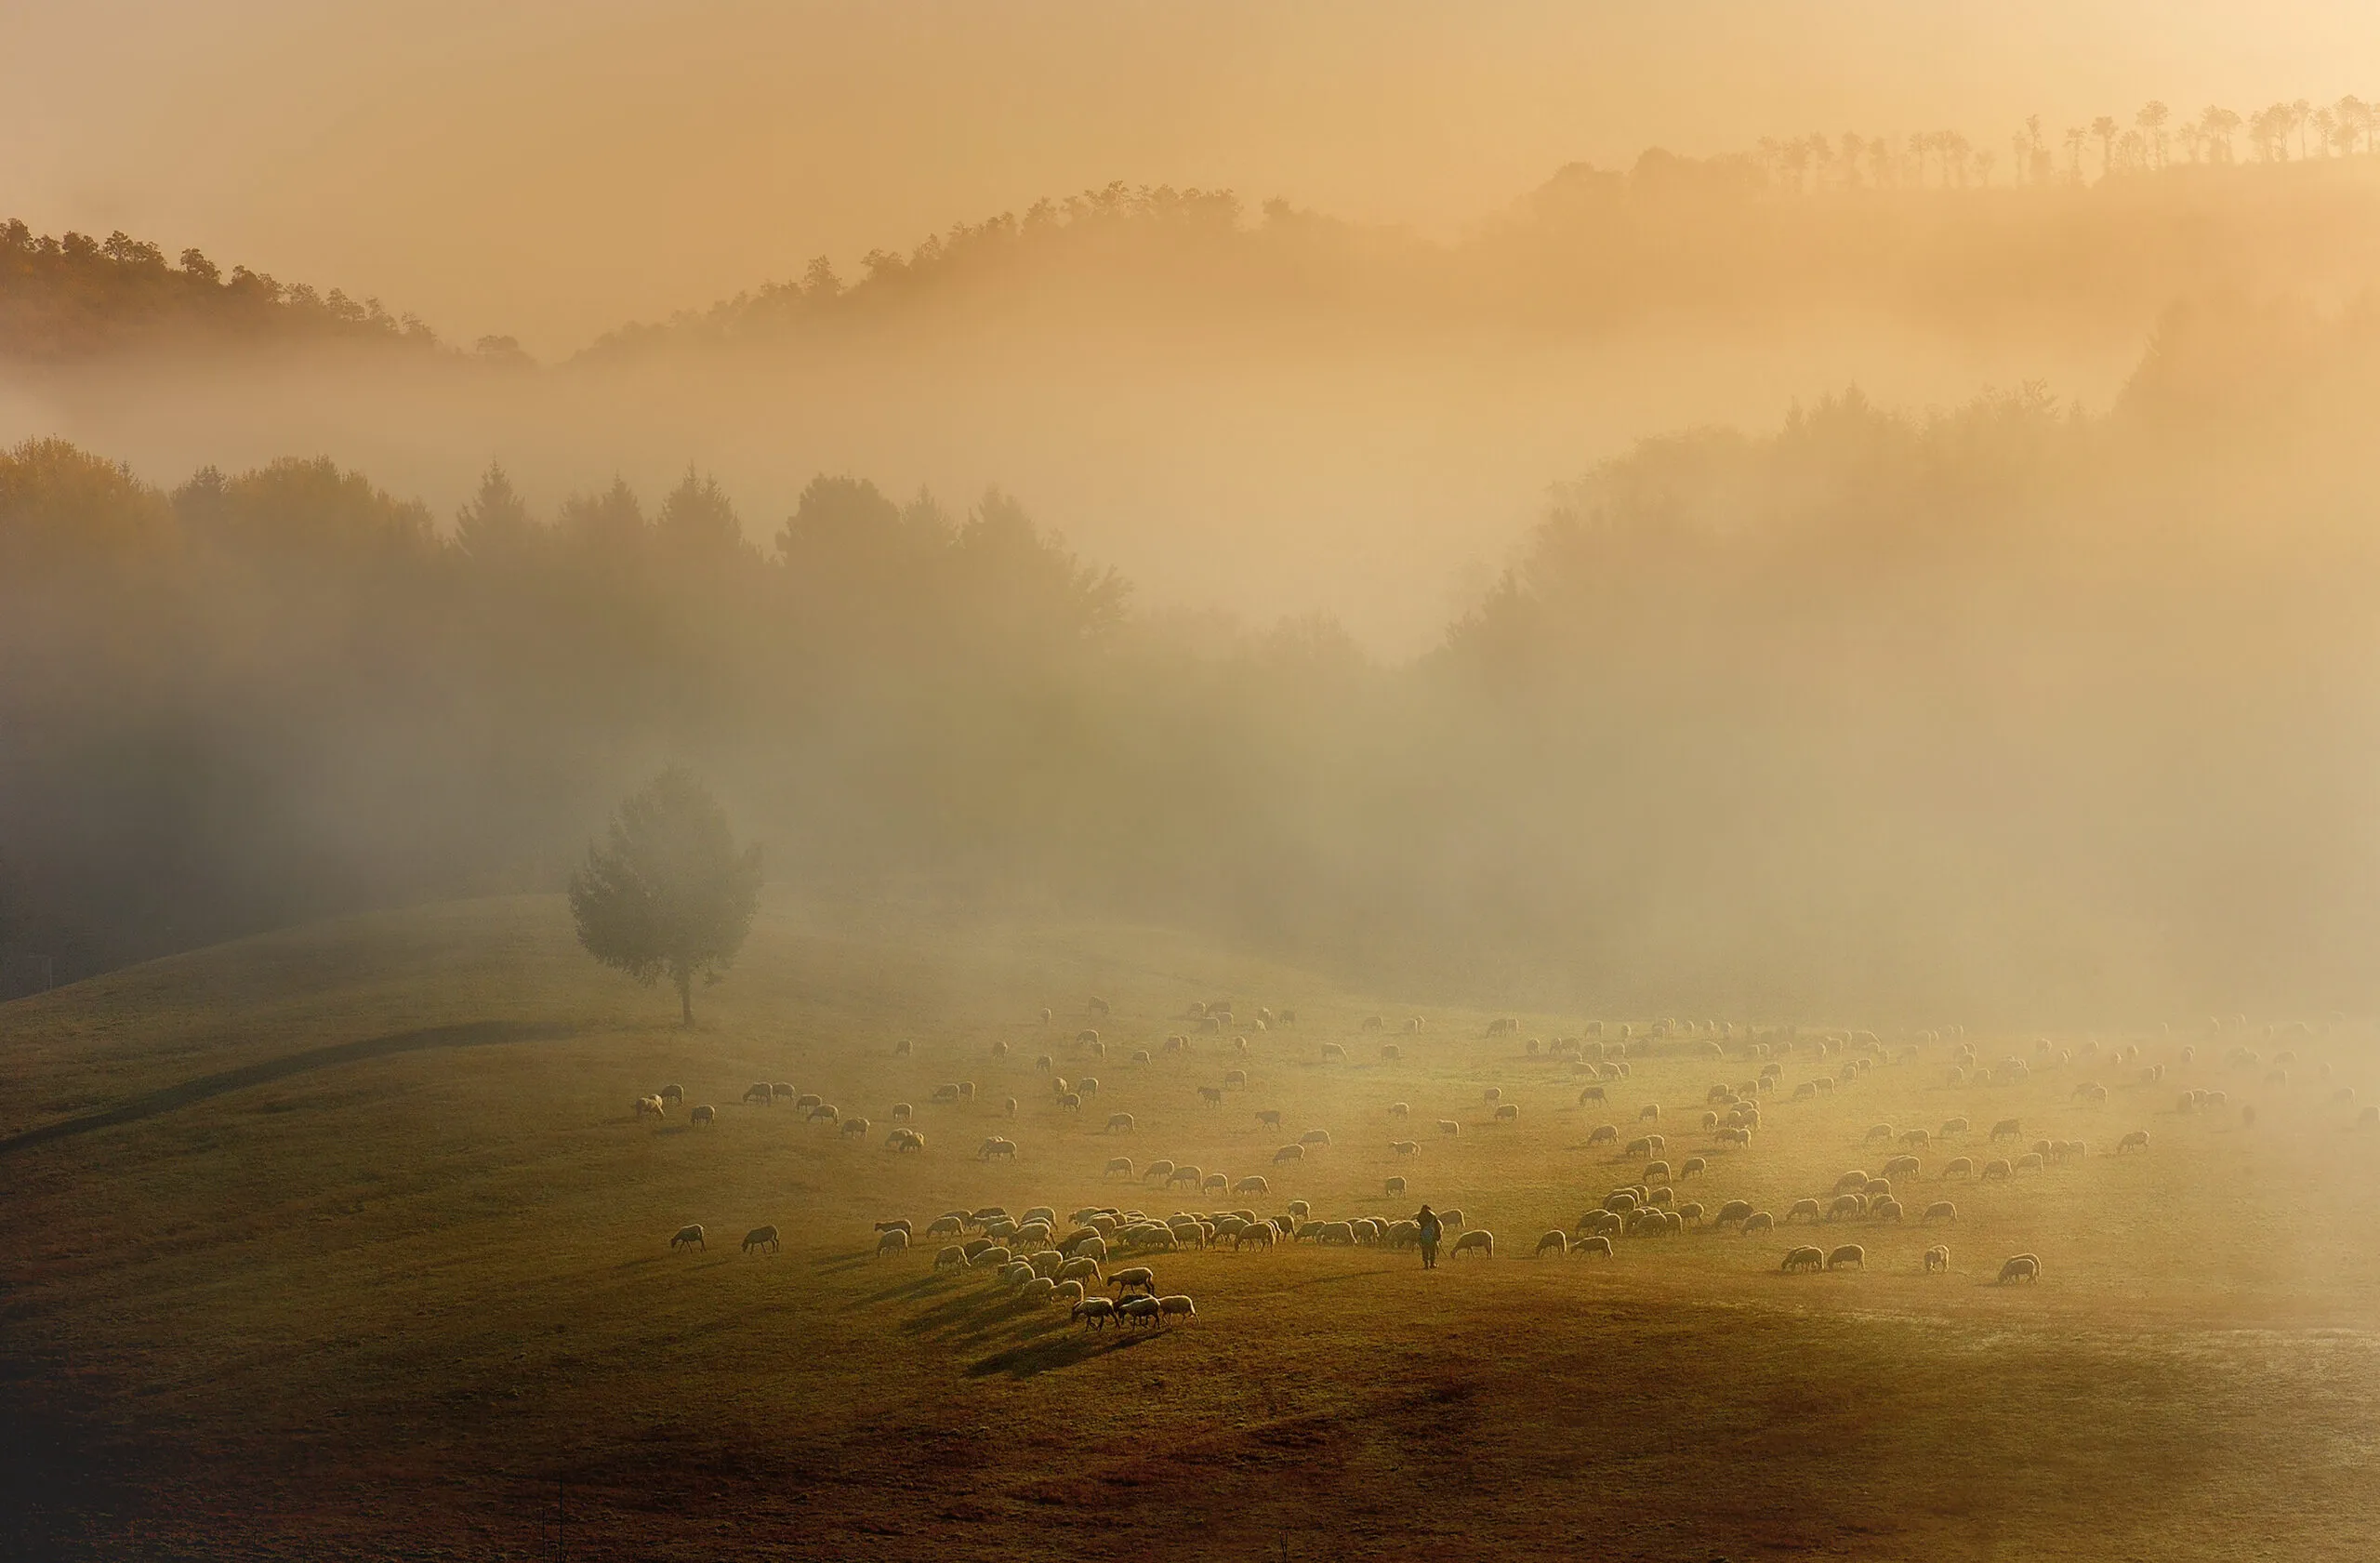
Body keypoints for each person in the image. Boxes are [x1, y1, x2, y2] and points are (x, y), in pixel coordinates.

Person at [1416, 1204, 1442, 1270]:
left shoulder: (1420, 1216)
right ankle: (1432, 1264)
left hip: (1424, 1234)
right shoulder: (1432, 1215)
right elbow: (1436, 1226)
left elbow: (1419, 1222)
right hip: (1431, 1234)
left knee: (1425, 1250)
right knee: (1432, 1250)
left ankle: (1426, 1265)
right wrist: (1438, 1235)